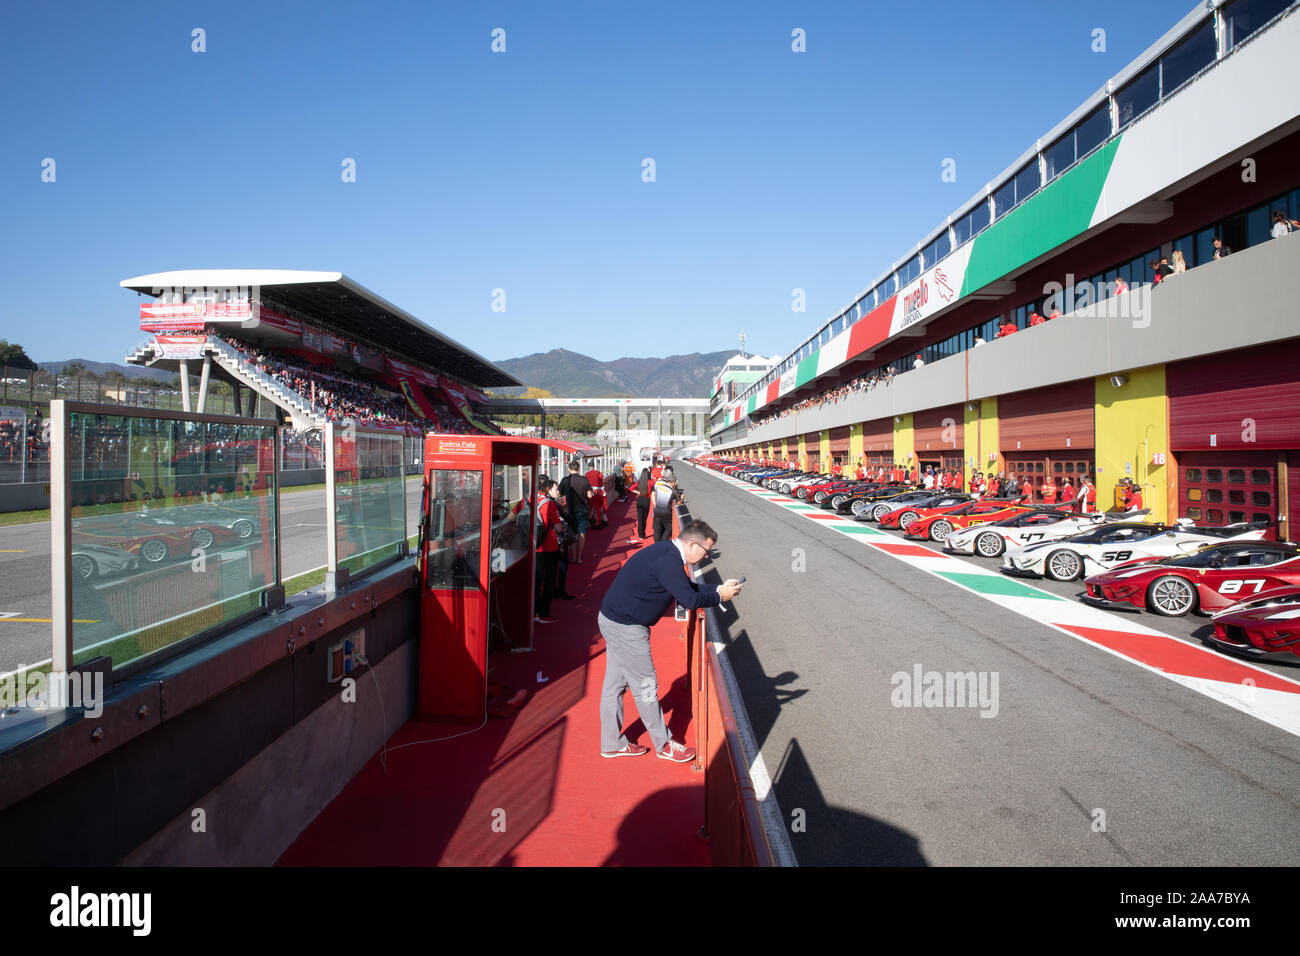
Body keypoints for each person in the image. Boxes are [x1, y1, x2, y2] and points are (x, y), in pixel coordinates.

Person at [597, 519, 742, 761]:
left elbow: (686, 589)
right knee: (646, 687)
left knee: (615, 684)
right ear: (693, 544)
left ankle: (611, 743)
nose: (707, 556)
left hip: (613, 619)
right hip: (627, 627)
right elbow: (690, 600)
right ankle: (664, 745)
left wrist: (718, 589)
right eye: (706, 551)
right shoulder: (669, 561)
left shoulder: (667, 553)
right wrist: (720, 597)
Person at [533, 477, 564, 624]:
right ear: (547, 488)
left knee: (535, 581)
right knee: (549, 580)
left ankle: (533, 611)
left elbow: (512, 516)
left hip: (532, 547)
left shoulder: (526, 500)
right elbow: (558, 528)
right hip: (549, 547)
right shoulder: (549, 504)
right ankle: (544, 613)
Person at [558, 459, 594, 564]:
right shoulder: (584, 480)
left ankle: (573, 557)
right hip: (583, 510)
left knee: (573, 534)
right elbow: (589, 495)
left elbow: (559, 494)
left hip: (570, 511)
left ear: (569, 469)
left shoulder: (565, 480)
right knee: (582, 533)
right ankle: (579, 558)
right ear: (578, 469)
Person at [651, 473, 677, 542]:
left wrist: (655, 504)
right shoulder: (673, 491)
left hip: (657, 511)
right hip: (666, 513)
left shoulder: (659, 486)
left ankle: (657, 544)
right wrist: (682, 498)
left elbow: (653, 494)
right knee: (669, 528)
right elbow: (678, 502)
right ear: (673, 482)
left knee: (657, 529)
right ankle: (663, 542)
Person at [633, 467, 652, 541]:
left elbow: (631, 488)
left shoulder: (639, 481)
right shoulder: (650, 482)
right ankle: (643, 533)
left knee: (640, 518)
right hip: (646, 500)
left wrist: (638, 492)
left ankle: (640, 535)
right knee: (645, 518)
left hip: (640, 500)